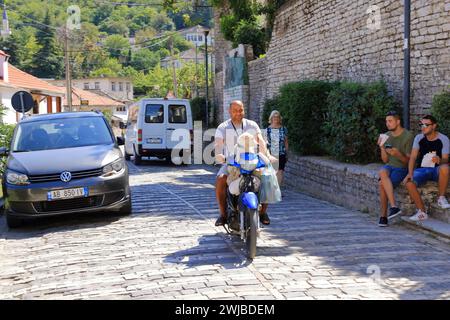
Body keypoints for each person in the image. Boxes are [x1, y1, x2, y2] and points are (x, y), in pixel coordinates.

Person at [214, 100, 275, 226]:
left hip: (252, 161)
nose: (238, 113)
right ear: (229, 111)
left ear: (244, 110)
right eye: (235, 110)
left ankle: (263, 212)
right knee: (221, 179)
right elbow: (218, 144)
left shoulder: (251, 125)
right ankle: (223, 215)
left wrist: (267, 155)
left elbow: (261, 141)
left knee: (267, 178)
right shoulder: (223, 127)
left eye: (240, 110)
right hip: (231, 162)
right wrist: (219, 154)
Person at [403, 115, 450, 221]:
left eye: (426, 125)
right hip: (422, 170)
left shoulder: (444, 139)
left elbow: (446, 160)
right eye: (421, 124)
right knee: (409, 182)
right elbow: (413, 157)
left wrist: (439, 160)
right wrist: (410, 173)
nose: (423, 127)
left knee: (445, 168)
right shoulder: (419, 138)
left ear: (434, 126)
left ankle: (441, 198)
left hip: (437, 170)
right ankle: (422, 212)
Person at [377, 111, 414, 227]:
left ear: (398, 122)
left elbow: (409, 162)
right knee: (382, 171)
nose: (387, 124)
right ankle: (393, 207)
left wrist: (398, 154)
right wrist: (382, 148)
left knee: (382, 184)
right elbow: (385, 161)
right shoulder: (386, 136)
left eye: (390, 121)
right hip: (390, 166)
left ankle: (383, 217)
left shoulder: (408, 136)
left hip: (402, 168)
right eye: (386, 121)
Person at [264, 110, 289, 186]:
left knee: (280, 171)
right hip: (271, 154)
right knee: (272, 172)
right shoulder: (267, 130)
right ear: (271, 118)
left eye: (277, 117)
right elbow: (265, 143)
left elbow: (286, 142)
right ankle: (272, 190)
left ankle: (278, 191)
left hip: (281, 153)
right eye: (274, 117)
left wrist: (287, 153)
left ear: (279, 118)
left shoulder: (283, 129)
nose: (276, 119)